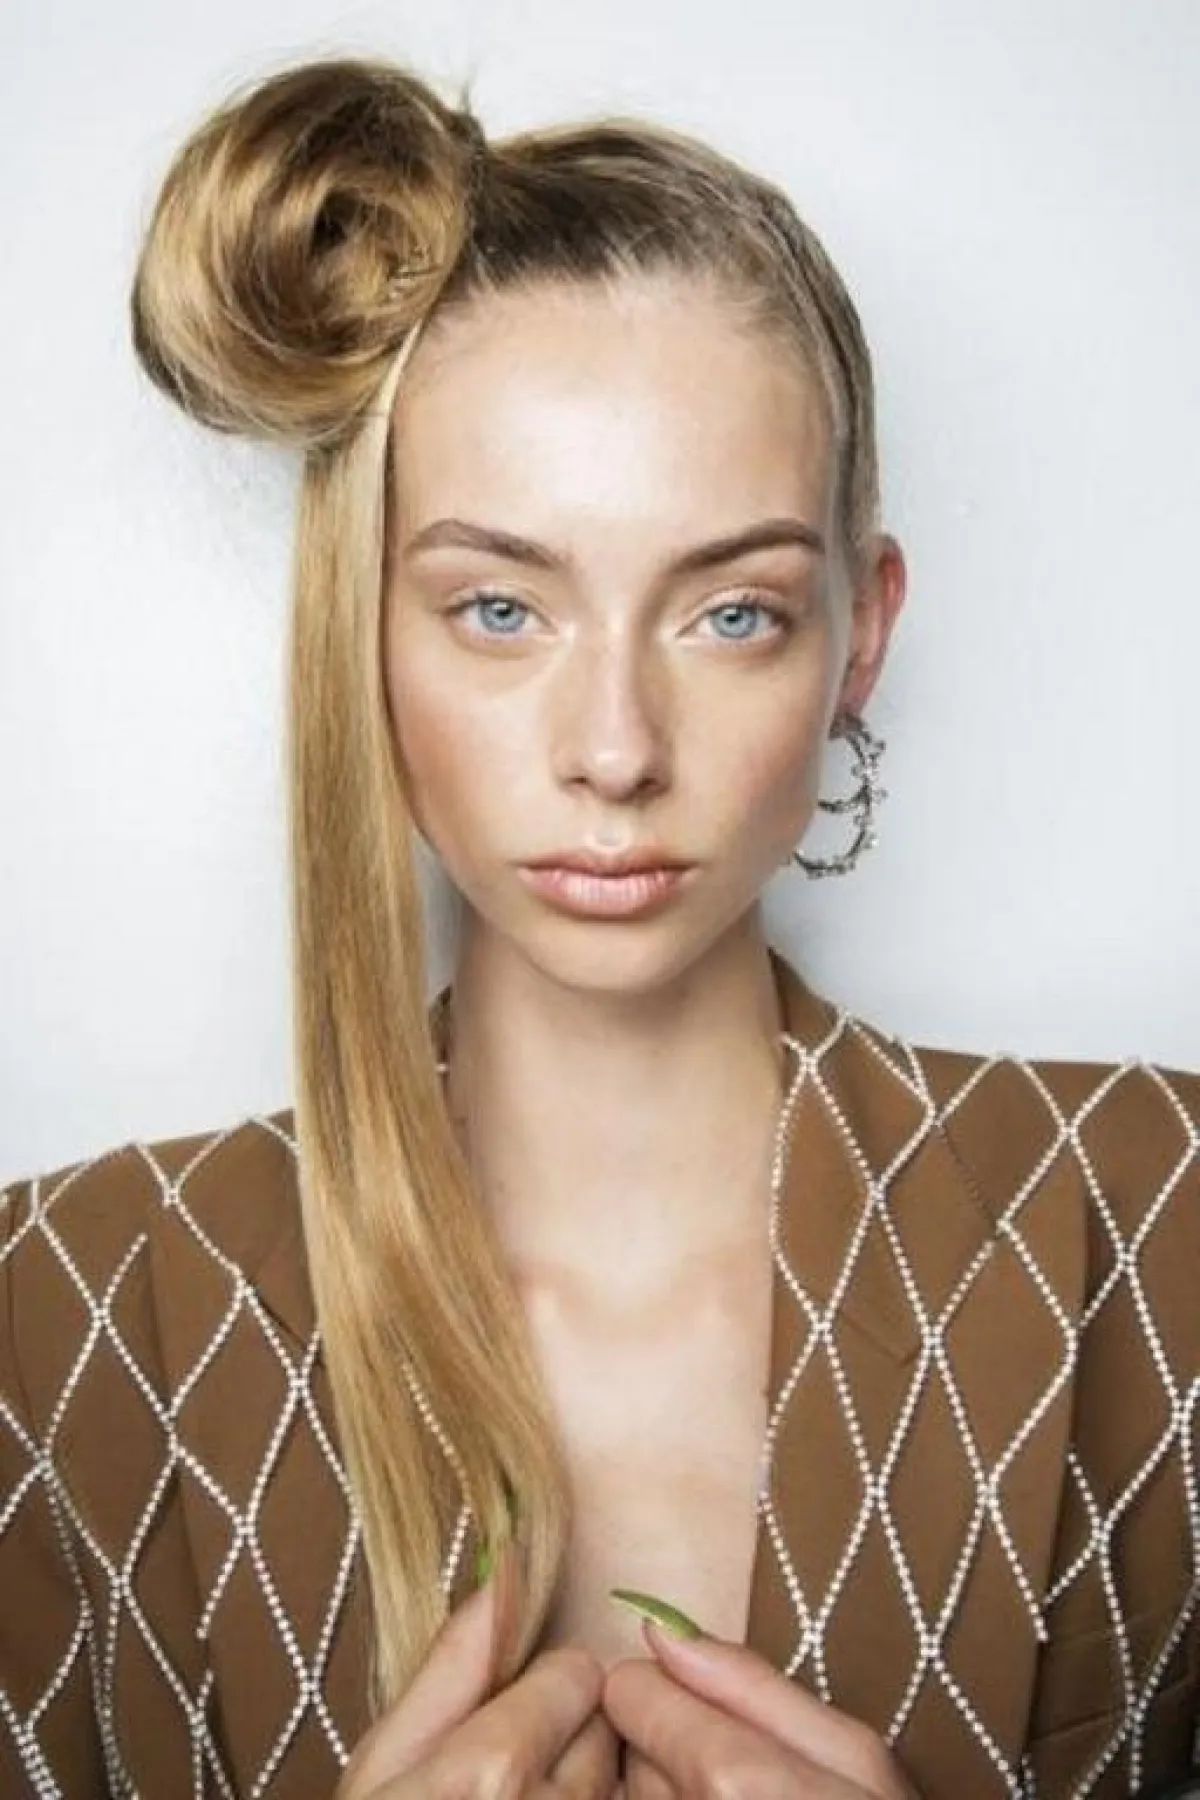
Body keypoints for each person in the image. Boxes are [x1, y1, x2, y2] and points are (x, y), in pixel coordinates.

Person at [1, 51, 1196, 1800]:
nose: (618, 752)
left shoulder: (1165, 1228)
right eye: (500, 608)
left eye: (732, 613)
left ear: (860, 635)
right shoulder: (54, 1309)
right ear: (356, 628)